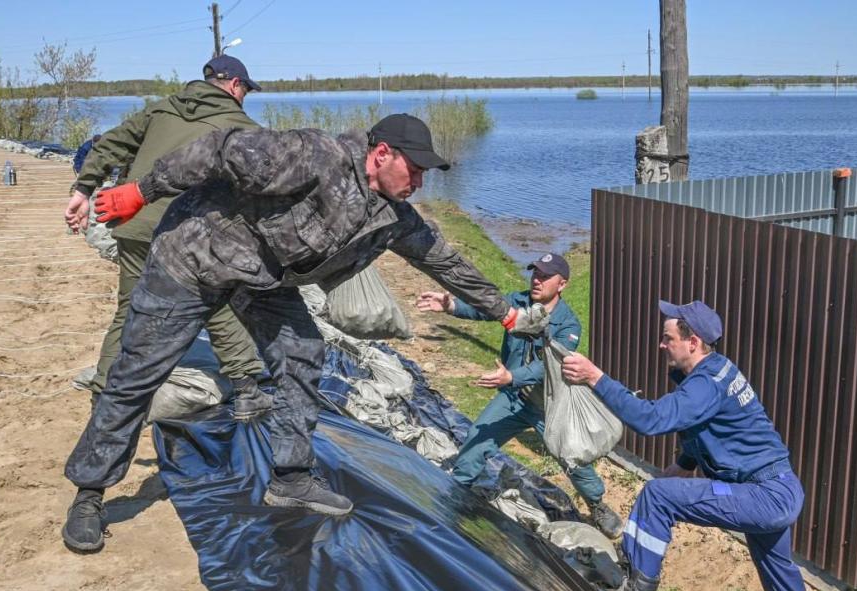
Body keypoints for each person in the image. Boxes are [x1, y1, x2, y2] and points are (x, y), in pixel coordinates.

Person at [61, 113, 543, 554]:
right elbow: (218, 149)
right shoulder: (314, 157)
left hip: (261, 277)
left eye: (423, 175)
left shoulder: (392, 215)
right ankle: (90, 493)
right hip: (192, 257)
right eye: (413, 170)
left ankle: (290, 477)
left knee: (303, 353)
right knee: (139, 371)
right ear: (381, 155)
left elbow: (444, 260)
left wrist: (504, 313)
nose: (418, 182)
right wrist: (142, 191)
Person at [561, 299, 824, 591]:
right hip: (778, 489)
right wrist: (680, 468)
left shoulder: (705, 385)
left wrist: (595, 378)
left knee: (657, 496)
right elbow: (704, 432)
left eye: (667, 338)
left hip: (764, 493)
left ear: (693, 342)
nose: (661, 344)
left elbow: (652, 420)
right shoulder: (711, 375)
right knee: (778, 570)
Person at [65, 55, 268, 417]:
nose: (245, 98)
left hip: (136, 223)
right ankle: (248, 388)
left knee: (129, 309)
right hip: (188, 234)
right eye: (246, 91)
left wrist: (82, 191)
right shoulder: (239, 125)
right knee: (213, 301)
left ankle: (104, 392)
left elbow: (110, 144)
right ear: (236, 86)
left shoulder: (161, 109)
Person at [416, 252, 622, 539]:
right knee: (477, 439)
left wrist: (512, 376)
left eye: (545, 276)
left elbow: (550, 367)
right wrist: (450, 305)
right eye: (535, 273)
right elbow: (486, 309)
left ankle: (597, 505)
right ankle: (453, 496)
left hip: (550, 406)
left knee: (574, 457)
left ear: (562, 284)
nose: (537, 280)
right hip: (514, 399)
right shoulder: (518, 302)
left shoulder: (568, 325)